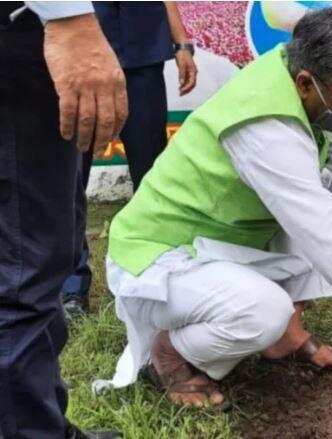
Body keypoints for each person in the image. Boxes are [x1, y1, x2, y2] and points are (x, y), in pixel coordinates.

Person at [93, 8, 332, 408]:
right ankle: (172, 351)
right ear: (305, 83)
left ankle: (285, 338)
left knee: (322, 194)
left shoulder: (301, 76)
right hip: (160, 256)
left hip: (216, 236)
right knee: (265, 311)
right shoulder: (267, 132)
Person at [0, 2, 126, 438]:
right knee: (27, 263)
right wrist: (70, 17)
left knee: (32, 253)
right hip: (19, 26)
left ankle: (39, 421)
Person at [62, 1, 198, 317]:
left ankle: (154, 278)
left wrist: (181, 43)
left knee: (152, 177)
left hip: (142, 53)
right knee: (69, 180)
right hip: (79, 57)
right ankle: (71, 289)